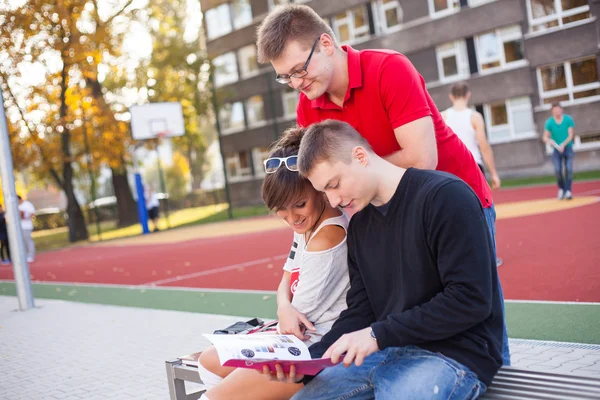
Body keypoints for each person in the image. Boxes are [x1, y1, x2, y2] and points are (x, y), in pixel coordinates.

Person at [256, 4, 510, 365]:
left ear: (326, 44)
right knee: (402, 311)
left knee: (479, 318)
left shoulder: (388, 69)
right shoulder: (308, 108)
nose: (296, 82)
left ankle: (490, 375)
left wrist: (358, 175)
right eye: (286, 77)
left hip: (454, 198)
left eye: (299, 69)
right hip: (382, 211)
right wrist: (284, 300)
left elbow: (422, 159)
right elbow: (322, 187)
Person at [269, 119, 502, 399]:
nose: (333, 201)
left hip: (452, 353)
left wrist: (377, 334)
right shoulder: (361, 225)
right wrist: (309, 359)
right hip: (385, 350)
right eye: (324, 192)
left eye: (335, 185)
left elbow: (470, 299)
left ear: (360, 156)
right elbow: (361, 310)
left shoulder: (446, 197)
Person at [197, 127, 351, 400]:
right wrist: (283, 307)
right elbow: (285, 281)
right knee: (207, 362)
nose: (292, 218)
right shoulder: (305, 225)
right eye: (282, 210)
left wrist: (286, 314)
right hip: (293, 337)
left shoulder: (328, 234)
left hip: (317, 350)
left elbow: (297, 321)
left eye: (299, 205)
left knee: (213, 397)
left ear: (317, 188)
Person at [442, 81, 504, 267]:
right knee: (483, 212)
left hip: (450, 170)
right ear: (468, 95)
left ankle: (462, 258)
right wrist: (494, 173)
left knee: (454, 215)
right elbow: (483, 146)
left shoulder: (443, 116)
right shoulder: (475, 117)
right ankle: (489, 257)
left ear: (451, 96)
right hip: (473, 168)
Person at [543, 103, 574, 200]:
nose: (557, 112)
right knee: (558, 170)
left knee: (568, 169)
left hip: (567, 148)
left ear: (561, 110)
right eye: (555, 110)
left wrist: (563, 144)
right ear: (552, 111)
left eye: (558, 109)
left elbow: (570, 135)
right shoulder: (549, 122)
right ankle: (561, 189)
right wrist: (550, 141)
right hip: (556, 150)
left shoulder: (568, 119)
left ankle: (568, 191)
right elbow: (545, 137)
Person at [17, 195, 36, 263]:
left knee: (28, 241)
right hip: (18, 227)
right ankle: (24, 256)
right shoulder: (15, 206)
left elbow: (33, 213)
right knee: (22, 242)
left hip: (26, 226)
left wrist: (26, 216)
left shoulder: (27, 204)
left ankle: (31, 256)